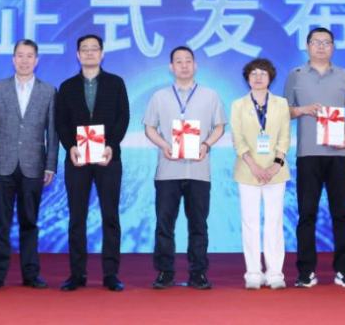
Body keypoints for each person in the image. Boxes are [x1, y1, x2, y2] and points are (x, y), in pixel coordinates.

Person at [143, 46, 226, 291]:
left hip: (199, 170)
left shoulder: (210, 95)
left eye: (188, 61)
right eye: (178, 61)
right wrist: (164, 145)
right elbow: (149, 127)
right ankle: (165, 273)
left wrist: (206, 145)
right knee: (164, 225)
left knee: (198, 225)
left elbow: (220, 126)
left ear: (195, 65)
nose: (184, 65)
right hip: (168, 170)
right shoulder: (160, 96)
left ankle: (198, 272)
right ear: (171, 67)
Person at [283, 26, 345, 289]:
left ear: (333, 47)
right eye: (316, 42)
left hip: (339, 154)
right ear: (307, 46)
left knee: (341, 214)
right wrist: (303, 110)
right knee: (307, 214)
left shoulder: (344, 75)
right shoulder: (295, 75)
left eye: (326, 42)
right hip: (308, 154)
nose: (321, 46)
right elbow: (284, 111)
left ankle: (344, 271)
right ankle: (306, 272)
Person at [0, 39, 59, 291]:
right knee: (0, 223)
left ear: (36, 60)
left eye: (29, 56)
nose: (24, 60)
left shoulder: (49, 91)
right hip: (1, 164)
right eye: (20, 56)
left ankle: (31, 274)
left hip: (34, 165)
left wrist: (50, 165)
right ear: (13, 59)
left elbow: (53, 132)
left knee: (30, 222)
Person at [55, 34, 130, 292]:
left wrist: (111, 145)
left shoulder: (116, 83)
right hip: (77, 159)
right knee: (77, 217)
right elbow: (61, 122)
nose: (89, 53)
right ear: (77, 55)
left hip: (108, 158)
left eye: (94, 48)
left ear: (102, 53)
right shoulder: (67, 87)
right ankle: (77, 274)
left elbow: (123, 117)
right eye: (84, 49)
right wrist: (71, 147)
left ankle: (111, 274)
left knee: (110, 216)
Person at [231, 58, 290, 290]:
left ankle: (275, 272)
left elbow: (284, 138)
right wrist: (254, 166)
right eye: (253, 73)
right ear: (247, 78)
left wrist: (275, 165)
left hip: (276, 171)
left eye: (263, 73)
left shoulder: (281, 104)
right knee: (250, 222)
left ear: (270, 78)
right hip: (248, 171)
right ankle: (253, 273)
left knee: (274, 222)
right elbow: (238, 139)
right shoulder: (238, 105)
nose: (258, 77)